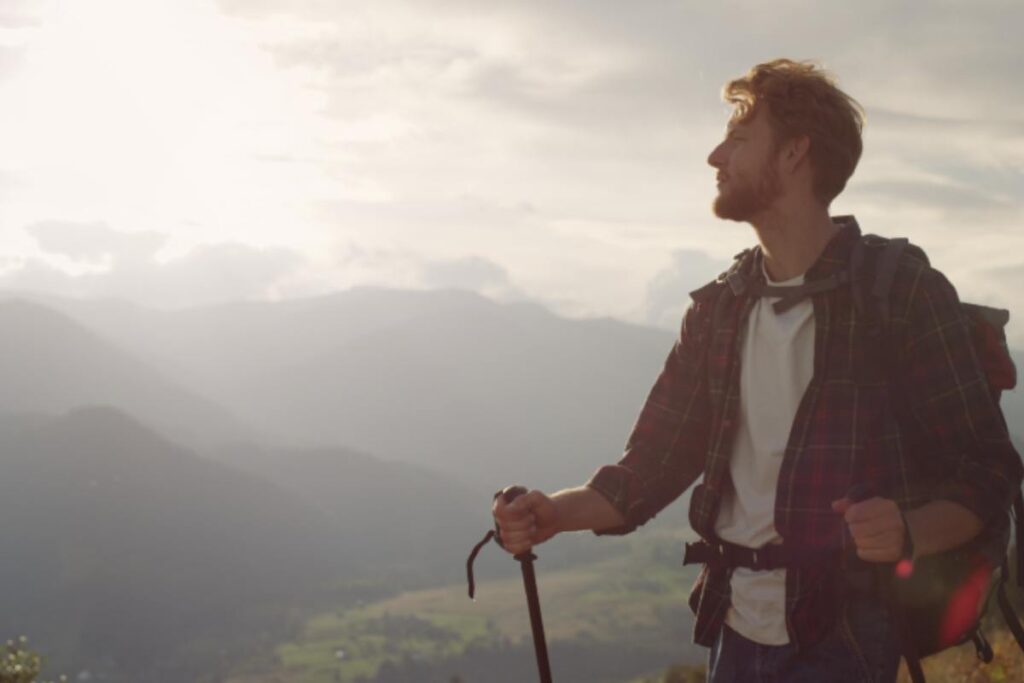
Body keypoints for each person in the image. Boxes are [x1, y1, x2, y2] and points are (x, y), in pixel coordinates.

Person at [491, 59, 1023, 682]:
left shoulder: (899, 294)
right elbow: (650, 466)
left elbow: (987, 469)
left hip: (848, 631)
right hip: (733, 628)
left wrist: (907, 530)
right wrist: (551, 513)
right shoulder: (720, 307)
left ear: (796, 153)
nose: (716, 156)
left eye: (739, 139)